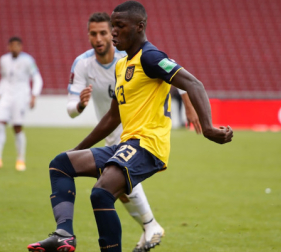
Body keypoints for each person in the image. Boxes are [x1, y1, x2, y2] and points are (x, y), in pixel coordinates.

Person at [27, 1, 233, 252]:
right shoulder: (122, 65)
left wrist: (209, 128)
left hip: (148, 146)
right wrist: (76, 150)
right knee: (61, 164)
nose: (113, 32)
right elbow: (113, 118)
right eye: (112, 26)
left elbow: (194, 84)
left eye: (119, 27)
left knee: (101, 192)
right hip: (128, 144)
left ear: (139, 27)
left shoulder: (151, 57)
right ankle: (64, 235)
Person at [65, 12, 201, 252]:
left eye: (104, 32)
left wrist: (188, 105)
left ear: (112, 33)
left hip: (137, 130)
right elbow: (71, 110)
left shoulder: (129, 53)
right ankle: (150, 226)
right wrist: (80, 105)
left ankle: (150, 226)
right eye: (93, 33)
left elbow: (172, 71)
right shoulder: (83, 63)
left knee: (110, 184)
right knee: (114, 188)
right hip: (110, 128)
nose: (99, 38)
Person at [0, 36, 43, 171]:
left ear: (21, 47)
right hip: (6, 96)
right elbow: (4, 79)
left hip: (21, 97)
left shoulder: (28, 60)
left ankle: (20, 160)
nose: (15, 48)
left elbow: (37, 78)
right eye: (12, 45)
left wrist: (34, 95)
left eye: (17, 45)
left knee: (17, 128)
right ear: (8, 47)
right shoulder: (3, 60)